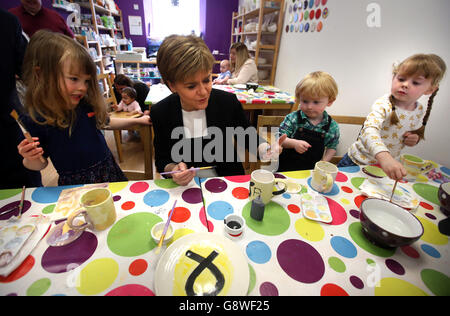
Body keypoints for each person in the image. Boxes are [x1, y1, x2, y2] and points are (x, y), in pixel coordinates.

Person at [16, 30, 151, 186]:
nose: (82, 87)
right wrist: (30, 158)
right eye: (74, 79)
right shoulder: (37, 118)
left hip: (108, 172)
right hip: (75, 187)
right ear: (41, 75)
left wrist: (139, 120)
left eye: (86, 81)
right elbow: (41, 164)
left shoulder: (85, 104)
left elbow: (105, 122)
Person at [151, 35, 263, 186]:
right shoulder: (161, 112)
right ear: (172, 86)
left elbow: (247, 136)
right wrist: (173, 169)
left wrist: (266, 149)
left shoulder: (227, 103)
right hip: (186, 187)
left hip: (227, 182)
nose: (203, 92)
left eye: (206, 80)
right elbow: (162, 159)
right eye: (191, 86)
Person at [338, 54, 447, 181]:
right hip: (356, 163)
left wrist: (413, 138)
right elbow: (368, 131)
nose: (405, 84)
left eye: (416, 82)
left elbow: (407, 132)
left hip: (381, 168)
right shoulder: (383, 104)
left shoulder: (419, 110)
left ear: (430, 90)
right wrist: (385, 158)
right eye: (401, 79)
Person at [263, 71, 340, 172]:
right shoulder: (293, 118)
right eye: (305, 101)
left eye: (316, 102)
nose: (309, 107)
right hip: (285, 169)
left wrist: (323, 161)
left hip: (311, 172)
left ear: (329, 101)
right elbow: (279, 139)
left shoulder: (332, 126)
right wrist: (294, 143)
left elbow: (332, 146)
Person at [0, 9, 42, 189]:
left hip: (7, 124)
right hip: (8, 121)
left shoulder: (7, 22)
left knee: (22, 182)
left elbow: (28, 71)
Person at [9, 0, 74, 39]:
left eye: (34, 1)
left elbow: (72, 39)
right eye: (28, 1)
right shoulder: (10, 17)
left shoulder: (56, 17)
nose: (31, 2)